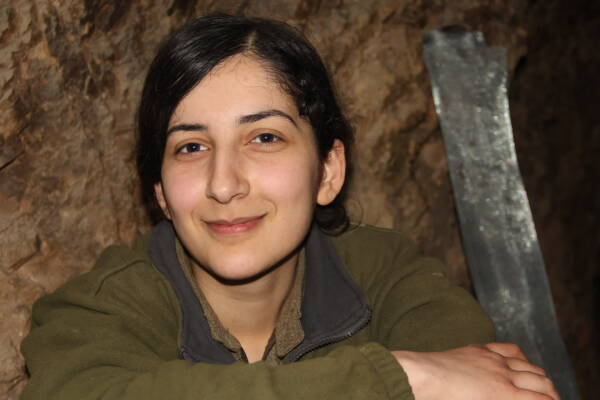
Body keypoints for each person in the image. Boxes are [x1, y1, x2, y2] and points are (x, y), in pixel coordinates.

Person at [21, 14, 559, 400]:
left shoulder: (385, 273)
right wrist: (401, 379)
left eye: (264, 138)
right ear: (160, 192)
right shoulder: (96, 314)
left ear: (327, 170)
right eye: (191, 147)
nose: (224, 185)